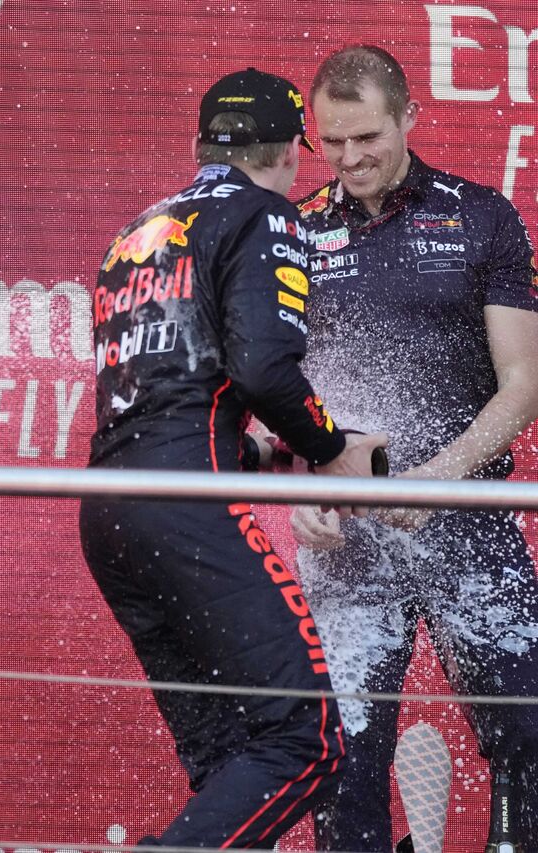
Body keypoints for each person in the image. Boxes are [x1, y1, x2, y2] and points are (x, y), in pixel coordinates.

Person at [78, 67, 388, 847]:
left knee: (227, 761)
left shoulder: (136, 232)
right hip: (189, 510)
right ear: (287, 153)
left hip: (109, 515)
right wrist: (331, 450)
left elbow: (166, 405)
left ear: (198, 145)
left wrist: (262, 451)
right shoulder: (265, 213)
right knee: (304, 738)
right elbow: (263, 371)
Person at [293, 44, 538, 850]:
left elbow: (525, 383)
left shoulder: (483, 216)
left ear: (409, 118)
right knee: (346, 759)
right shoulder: (292, 231)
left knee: (529, 730)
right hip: (346, 541)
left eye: (367, 136)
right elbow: (268, 391)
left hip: (468, 516)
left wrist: (438, 478)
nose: (349, 158)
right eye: (331, 141)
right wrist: (305, 484)